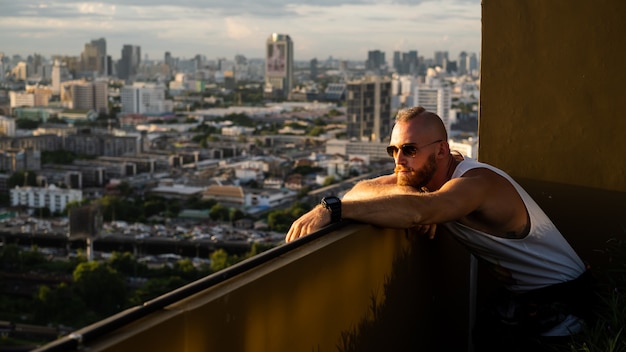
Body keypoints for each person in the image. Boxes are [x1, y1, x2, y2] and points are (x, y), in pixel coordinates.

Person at [285, 106, 594, 350]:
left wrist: (335, 211)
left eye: (409, 149)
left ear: (442, 151)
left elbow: (421, 213)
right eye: (393, 150)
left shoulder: (476, 184)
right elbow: (361, 190)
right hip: (525, 304)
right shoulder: (427, 180)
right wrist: (335, 204)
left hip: (567, 310)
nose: (399, 160)